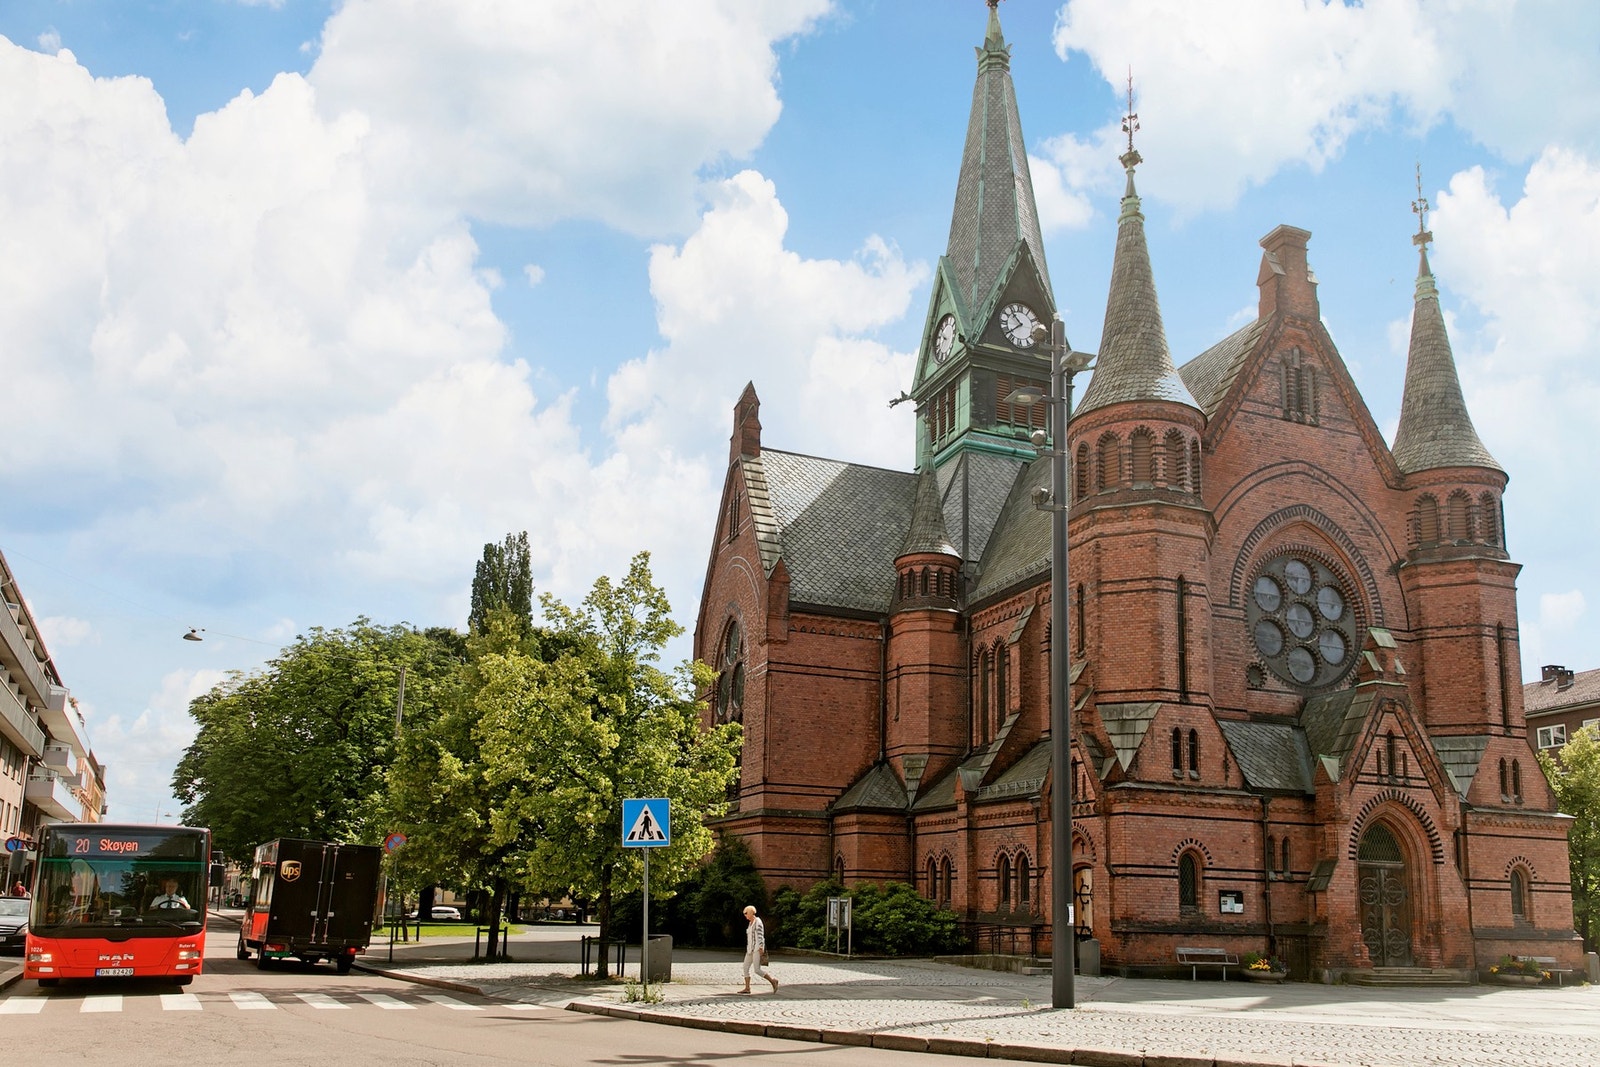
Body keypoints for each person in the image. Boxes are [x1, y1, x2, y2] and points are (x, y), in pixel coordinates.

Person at [739, 904, 778, 994]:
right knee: (745, 967)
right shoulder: (750, 923)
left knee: (757, 970)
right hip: (750, 949)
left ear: (751, 913)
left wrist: (761, 947)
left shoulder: (758, 922)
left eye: (746, 913)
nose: (745, 915)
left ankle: (773, 981)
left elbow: (760, 935)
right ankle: (747, 988)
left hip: (756, 948)